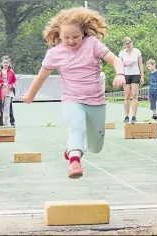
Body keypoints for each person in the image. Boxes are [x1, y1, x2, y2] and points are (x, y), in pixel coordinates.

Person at [20, 7, 125, 179]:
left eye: (75, 37)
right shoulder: (54, 54)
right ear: (59, 36)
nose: (71, 41)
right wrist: (30, 96)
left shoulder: (92, 44)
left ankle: (72, 148)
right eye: (66, 37)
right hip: (72, 100)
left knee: (95, 148)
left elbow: (115, 59)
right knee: (77, 126)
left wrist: (120, 74)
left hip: (96, 102)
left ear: (83, 33)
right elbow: (40, 78)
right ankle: (74, 160)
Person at [118, 37, 144, 123]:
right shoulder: (122, 53)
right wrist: (124, 66)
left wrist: (142, 76)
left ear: (131, 43)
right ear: (124, 44)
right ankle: (126, 116)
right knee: (127, 96)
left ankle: (134, 115)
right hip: (126, 74)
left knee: (134, 95)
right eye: (126, 44)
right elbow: (119, 64)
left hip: (135, 74)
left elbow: (140, 64)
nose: (128, 45)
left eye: (129, 43)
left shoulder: (137, 51)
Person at [0, 56, 17, 127]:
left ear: (9, 63)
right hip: (1, 91)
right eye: (4, 63)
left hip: (9, 91)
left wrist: (11, 86)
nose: (5, 64)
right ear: (2, 63)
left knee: (8, 107)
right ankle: (0, 123)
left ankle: (10, 122)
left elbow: (14, 81)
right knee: (0, 107)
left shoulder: (11, 72)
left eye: (7, 63)